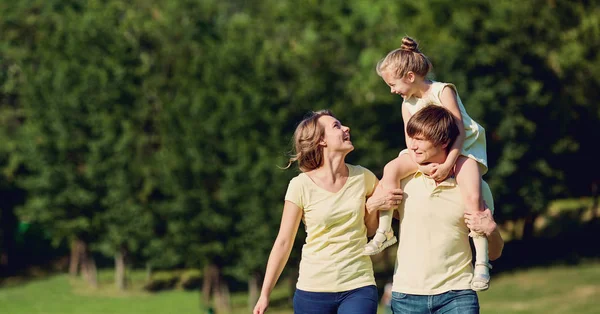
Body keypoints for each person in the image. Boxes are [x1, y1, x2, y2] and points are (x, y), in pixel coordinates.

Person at [363, 36, 492, 291]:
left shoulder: (442, 91)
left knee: (473, 198)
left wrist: (448, 165)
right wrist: (420, 167)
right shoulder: (406, 104)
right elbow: (410, 142)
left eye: (392, 84)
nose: (391, 90)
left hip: (461, 149)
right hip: (424, 152)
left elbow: (460, 132)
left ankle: (482, 262)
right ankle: (386, 230)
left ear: (410, 77)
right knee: (391, 169)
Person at [252, 110, 403, 314]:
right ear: (321, 140)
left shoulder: (363, 176)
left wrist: (371, 206)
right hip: (312, 290)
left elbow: (371, 230)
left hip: (358, 284)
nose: (346, 128)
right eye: (336, 126)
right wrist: (265, 294)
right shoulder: (300, 185)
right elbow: (283, 242)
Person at [367, 105, 504, 313]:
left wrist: (491, 229)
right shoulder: (403, 181)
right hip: (406, 296)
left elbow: (494, 253)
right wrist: (373, 204)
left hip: (458, 295)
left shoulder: (475, 186)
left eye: (420, 139)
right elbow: (367, 223)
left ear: (444, 142)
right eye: (412, 138)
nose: (412, 146)